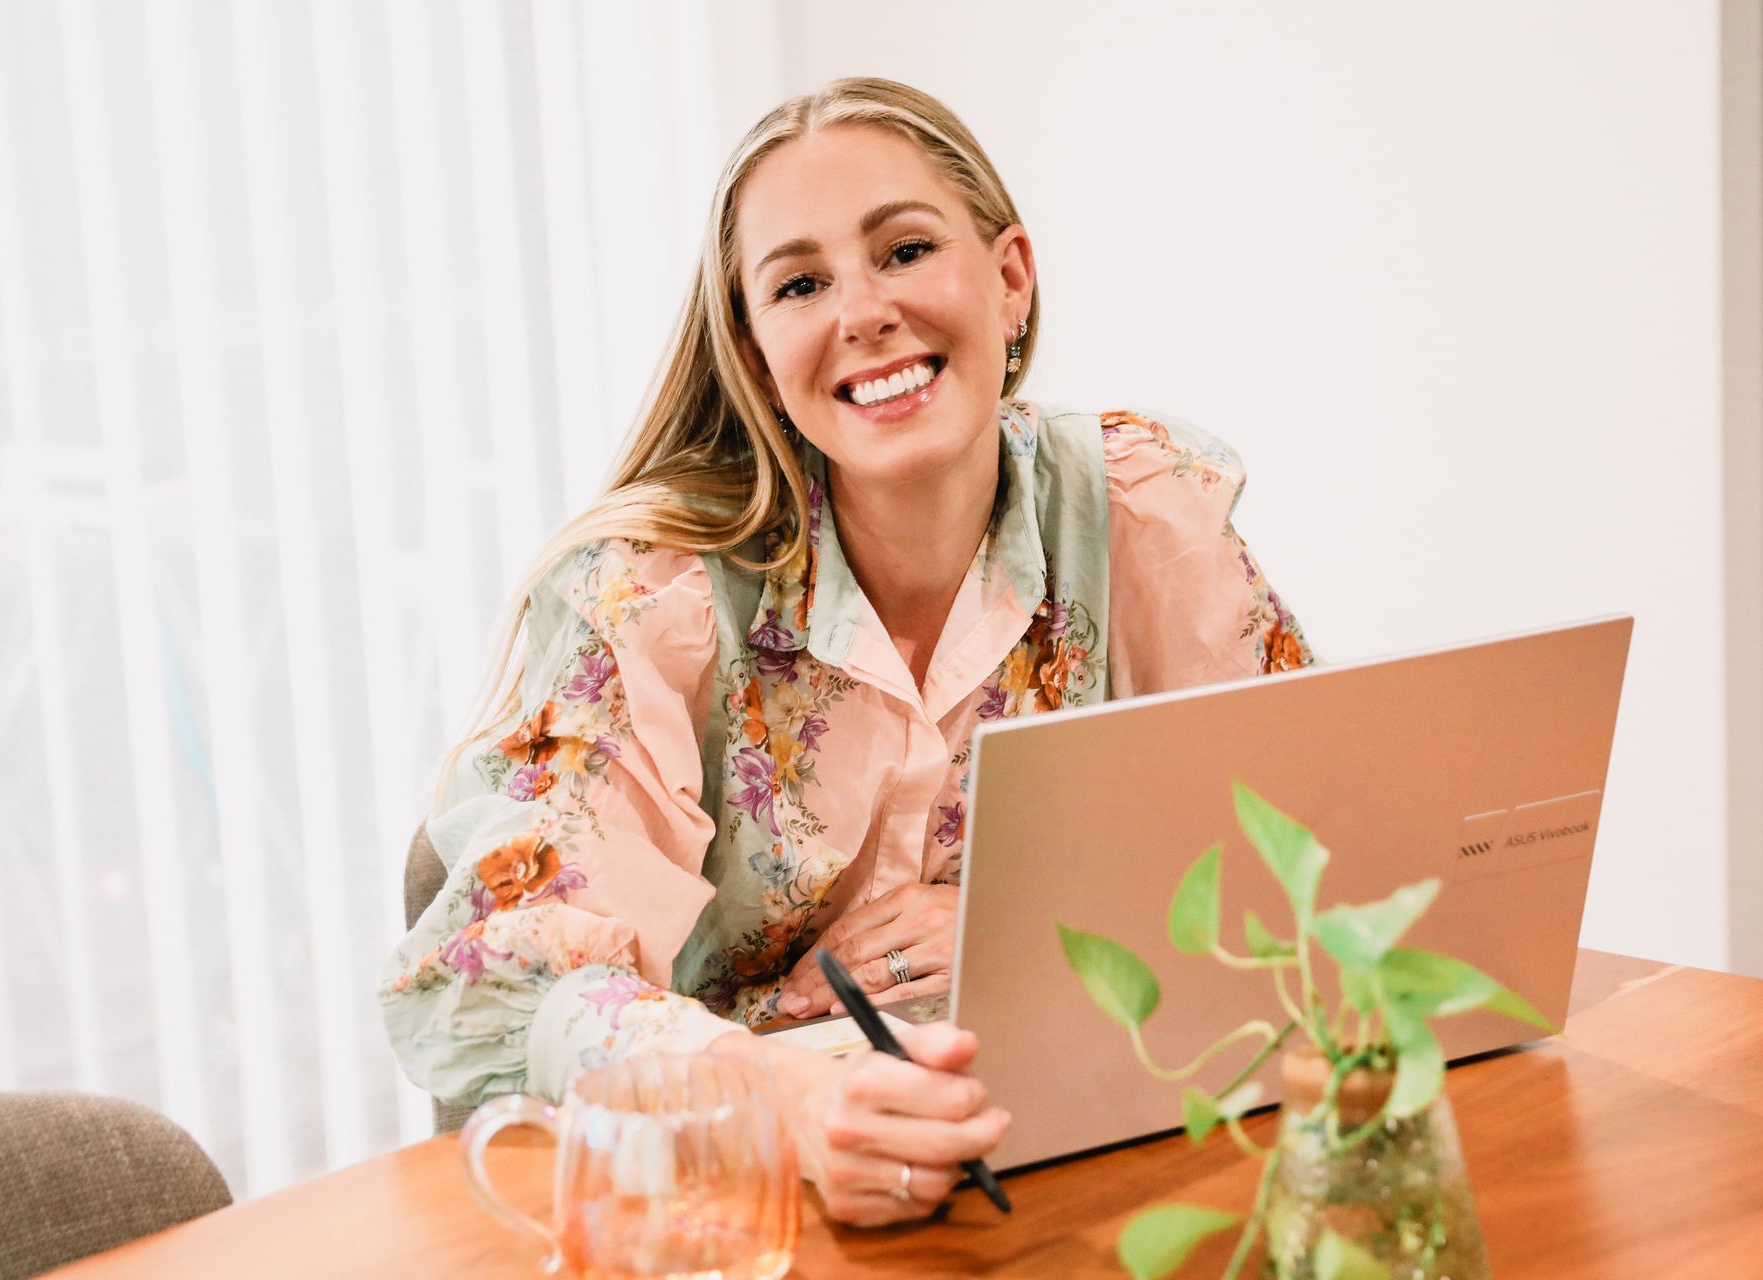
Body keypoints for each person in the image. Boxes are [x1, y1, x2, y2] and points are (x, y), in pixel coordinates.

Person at [378, 77, 1312, 1227]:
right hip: (749, 1212)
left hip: (1088, 1168)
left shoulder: (1140, 510)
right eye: (803, 283)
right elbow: (500, 982)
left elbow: (1306, 856)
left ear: (1010, 276)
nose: (862, 311)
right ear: (757, 347)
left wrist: (1017, 925)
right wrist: (776, 1105)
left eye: (906, 250)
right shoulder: (647, 598)